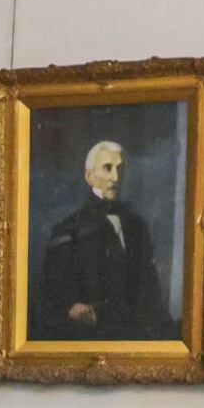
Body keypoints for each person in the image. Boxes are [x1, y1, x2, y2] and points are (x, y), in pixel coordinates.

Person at [33, 136, 170, 340]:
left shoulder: (137, 226)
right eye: (107, 168)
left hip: (135, 338)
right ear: (89, 176)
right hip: (89, 339)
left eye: (120, 169)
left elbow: (150, 291)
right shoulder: (69, 229)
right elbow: (52, 299)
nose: (115, 177)